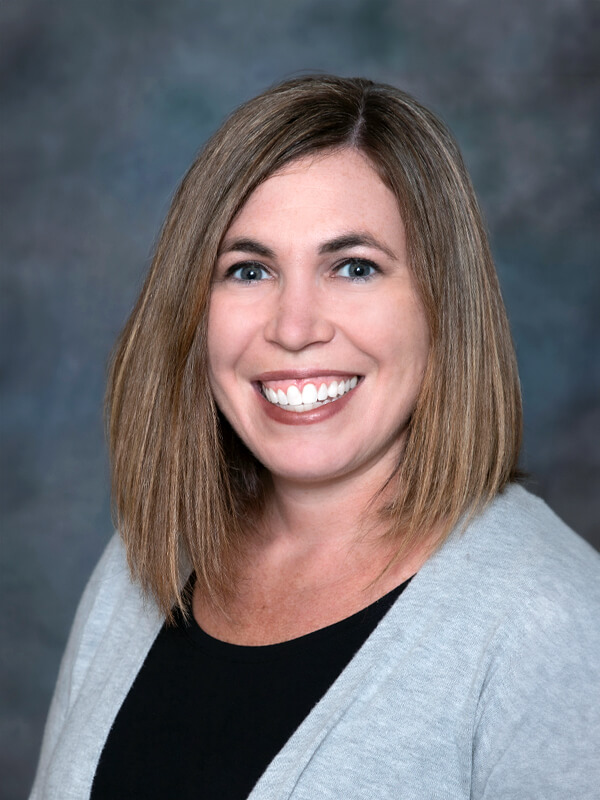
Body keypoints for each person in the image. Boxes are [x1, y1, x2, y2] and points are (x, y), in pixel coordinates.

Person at [30, 75, 599, 800]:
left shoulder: (552, 627)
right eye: (249, 269)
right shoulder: (145, 562)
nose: (295, 327)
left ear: (441, 306)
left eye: (354, 267)